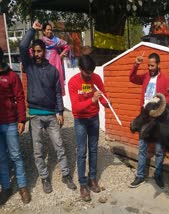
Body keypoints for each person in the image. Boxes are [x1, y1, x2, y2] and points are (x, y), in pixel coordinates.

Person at [19, 20, 76, 194]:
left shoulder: (53, 70)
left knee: (59, 145)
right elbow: (22, 47)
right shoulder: (29, 67)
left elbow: (58, 93)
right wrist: (32, 30)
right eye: (34, 51)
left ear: (44, 52)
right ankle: (44, 178)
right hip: (35, 115)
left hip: (51, 114)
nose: (36, 54)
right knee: (38, 150)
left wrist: (60, 111)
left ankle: (66, 175)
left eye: (39, 51)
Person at [128, 52, 169, 189]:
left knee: (159, 150)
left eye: (152, 65)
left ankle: (158, 175)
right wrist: (136, 64)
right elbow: (132, 78)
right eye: (148, 65)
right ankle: (140, 176)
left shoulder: (165, 79)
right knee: (142, 147)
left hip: (158, 119)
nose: (150, 68)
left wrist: (160, 103)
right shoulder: (146, 76)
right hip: (145, 118)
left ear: (158, 65)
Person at [68, 55, 109, 202]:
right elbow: (75, 107)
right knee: (81, 152)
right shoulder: (73, 82)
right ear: (80, 69)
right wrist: (92, 99)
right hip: (80, 120)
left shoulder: (96, 78)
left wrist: (105, 102)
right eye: (87, 73)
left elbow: (102, 95)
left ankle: (92, 179)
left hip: (93, 118)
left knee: (93, 149)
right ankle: (83, 184)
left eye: (91, 72)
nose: (89, 76)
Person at [0, 47, 31, 205]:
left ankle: (23, 186)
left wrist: (21, 120)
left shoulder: (11, 76)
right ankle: (6, 188)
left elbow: (20, 97)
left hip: (11, 122)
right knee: (1, 158)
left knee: (16, 156)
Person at [42, 23, 70, 96]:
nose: (50, 31)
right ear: (44, 31)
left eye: (51, 30)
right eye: (48, 29)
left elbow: (67, 47)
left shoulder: (57, 40)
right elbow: (32, 50)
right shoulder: (41, 41)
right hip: (45, 64)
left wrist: (60, 56)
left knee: (56, 82)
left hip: (56, 63)